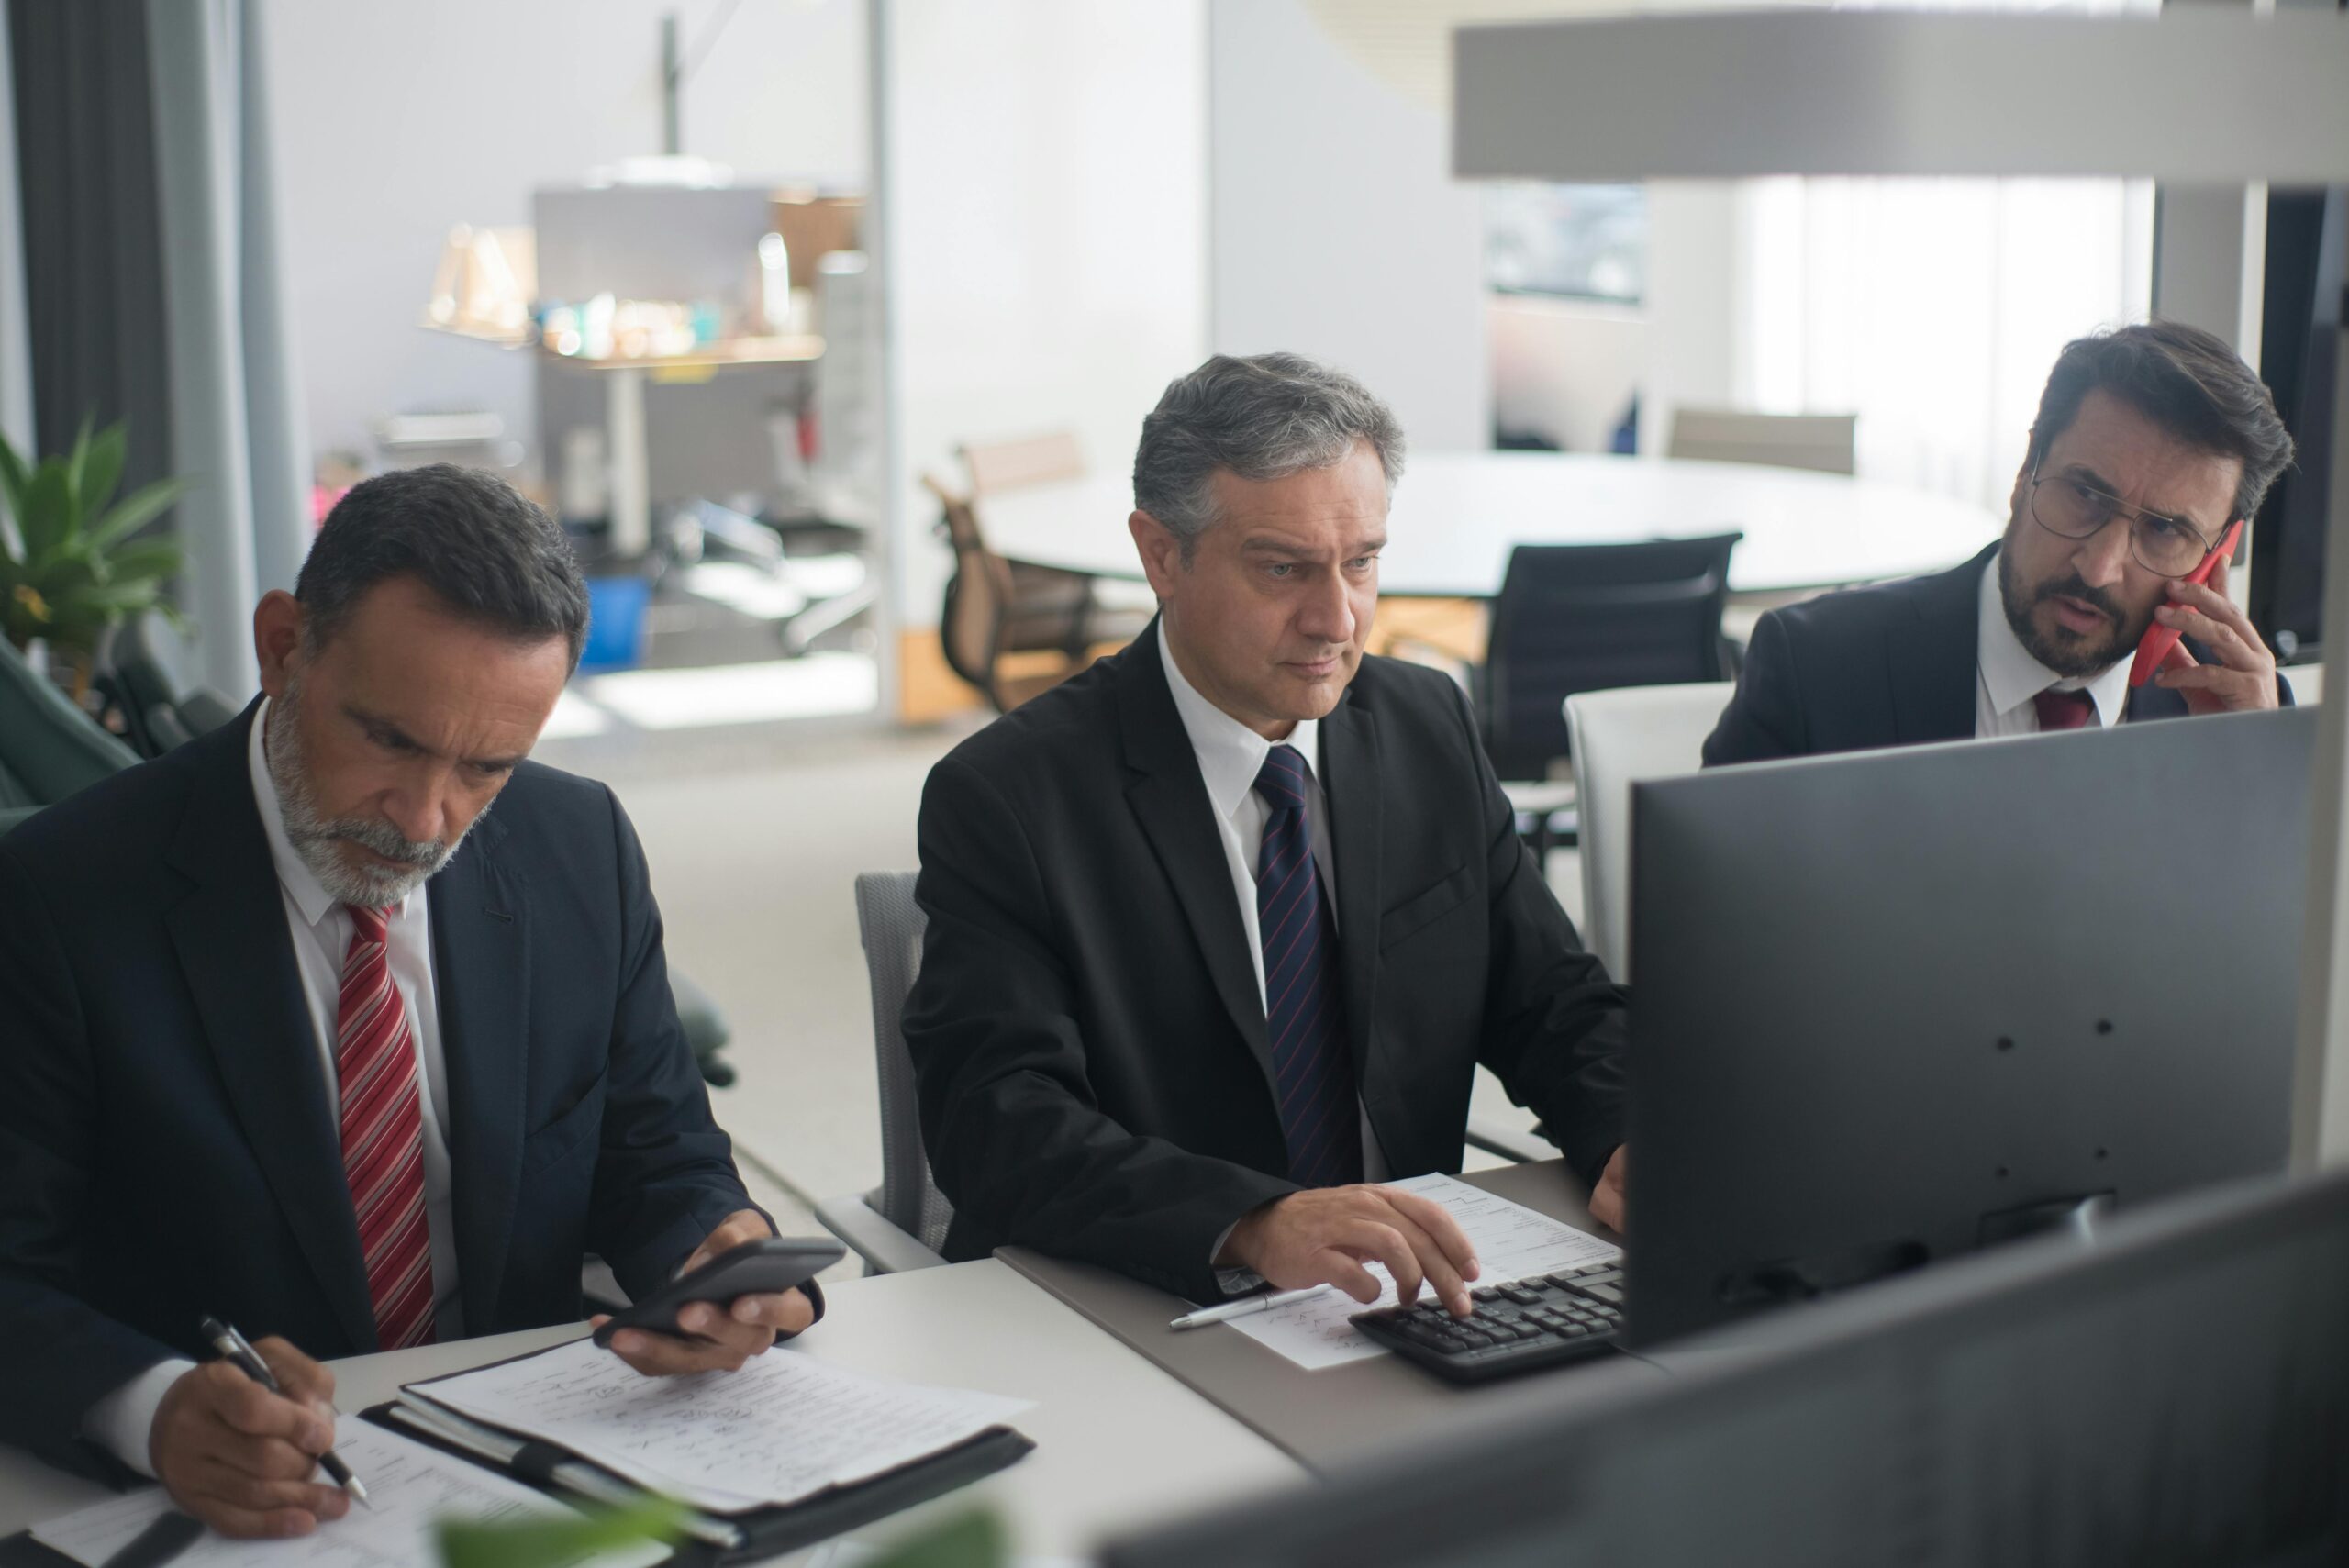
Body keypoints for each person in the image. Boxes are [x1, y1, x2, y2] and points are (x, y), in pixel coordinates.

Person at [0, 466, 815, 1538]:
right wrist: (149, 1408)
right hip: (231, 1509)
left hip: (531, 1480)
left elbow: (654, 1143)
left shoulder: (580, 846)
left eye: (487, 767)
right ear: (285, 646)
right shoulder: (56, 891)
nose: (427, 821)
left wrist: (715, 1251)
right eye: (390, 740)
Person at [904, 352, 1628, 1317]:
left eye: (1362, 561)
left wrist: (1626, 1129)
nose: (1336, 618)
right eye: (1283, 568)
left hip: (1406, 1296)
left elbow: (1550, 1001)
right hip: (1146, 1300)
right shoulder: (1009, 794)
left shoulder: (1425, 725)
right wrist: (1250, 1220)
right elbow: (994, 1122)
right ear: (1161, 553)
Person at [1703, 319, 2296, 767]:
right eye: (2084, 493)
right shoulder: (1815, 668)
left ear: (2216, 555)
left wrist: (2252, 773)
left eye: (2165, 530)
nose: (2098, 567)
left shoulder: (2239, 713)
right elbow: (1707, 917)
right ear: (2025, 469)